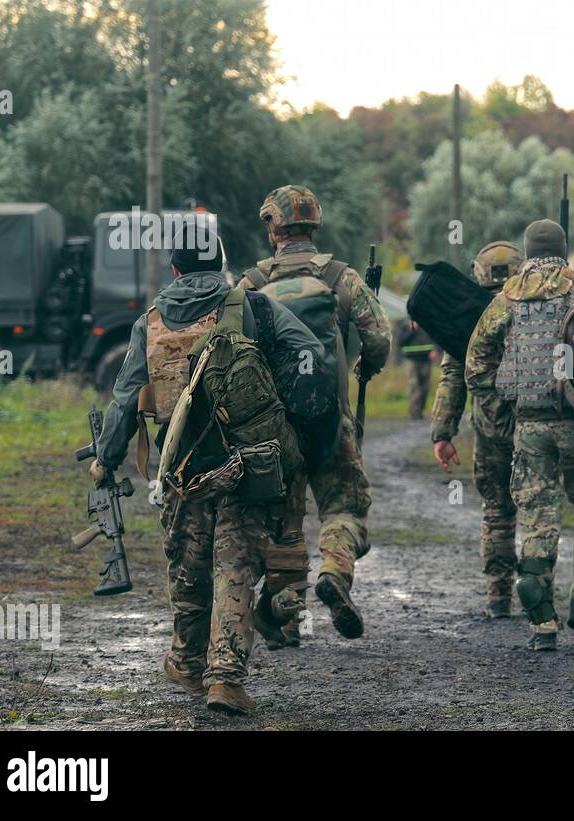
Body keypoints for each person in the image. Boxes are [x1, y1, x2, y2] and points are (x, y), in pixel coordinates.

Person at [90, 234, 335, 715]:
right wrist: (287, 414)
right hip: (249, 460)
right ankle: (225, 678)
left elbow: (124, 401)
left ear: (175, 270)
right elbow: (311, 354)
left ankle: (186, 661)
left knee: (188, 564)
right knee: (236, 566)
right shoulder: (254, 307)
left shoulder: (150, 322)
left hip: (182, 464)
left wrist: (105, 459)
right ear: (223, 263)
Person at [238, 185, 392, 643]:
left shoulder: (251, 284)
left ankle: (284, 617)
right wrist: (367, 367)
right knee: (344, 507)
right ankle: (335, 571)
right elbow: (379, 339)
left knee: (285, 524)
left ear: (273, 227)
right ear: (313, 226)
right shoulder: (342, 278)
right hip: (330, 419)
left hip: (272, 428)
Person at [466, 220, 574, 651]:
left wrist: (504, 397)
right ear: (565, 249)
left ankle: (541, 616)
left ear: (528, 251)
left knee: (537, 511)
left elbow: (475, 363)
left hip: (529, 426)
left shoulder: (507, 295)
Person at [431, 241, 524, 617]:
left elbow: (453, 375)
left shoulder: (468, 315)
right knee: (536, 509)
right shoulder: (536, 309)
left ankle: (499, 594)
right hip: (535, 424)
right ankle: (540, 595)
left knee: (497, 509)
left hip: (489, 428)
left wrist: (443, 431)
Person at [396, 319, 435, 420]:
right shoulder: (405, 325)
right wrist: (412, 330)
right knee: (414, 386)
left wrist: (435, 350)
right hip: (411, 360)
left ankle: (421, 410)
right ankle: (414, 412)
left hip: (426, 359)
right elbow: (400, 342)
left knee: (425, 387)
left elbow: (436, 337)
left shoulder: (427, 322)